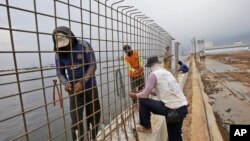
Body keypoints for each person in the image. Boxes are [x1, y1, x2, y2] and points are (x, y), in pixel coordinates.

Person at [52, 26, 101, 141]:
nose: (65, 47)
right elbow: (59, 72)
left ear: (71, 37)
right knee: (76, 120)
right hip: (74, 91)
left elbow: (93, 65)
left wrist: (83, 81)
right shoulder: (58, 53)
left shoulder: (83, 45)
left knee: (94, 115)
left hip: (90, 87)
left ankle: (92, 137)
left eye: (66, 43)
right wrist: (66, 83)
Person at [129, 56, 188, 141]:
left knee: (142, 100)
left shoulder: (154, 74)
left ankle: (146, 127)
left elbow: (145, 95)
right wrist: (149, 92)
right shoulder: (167, 72)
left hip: (173, 110)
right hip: (182, 106)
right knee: (175, 134)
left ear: (151, 67)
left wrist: (134, 95)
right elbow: (167, 89)